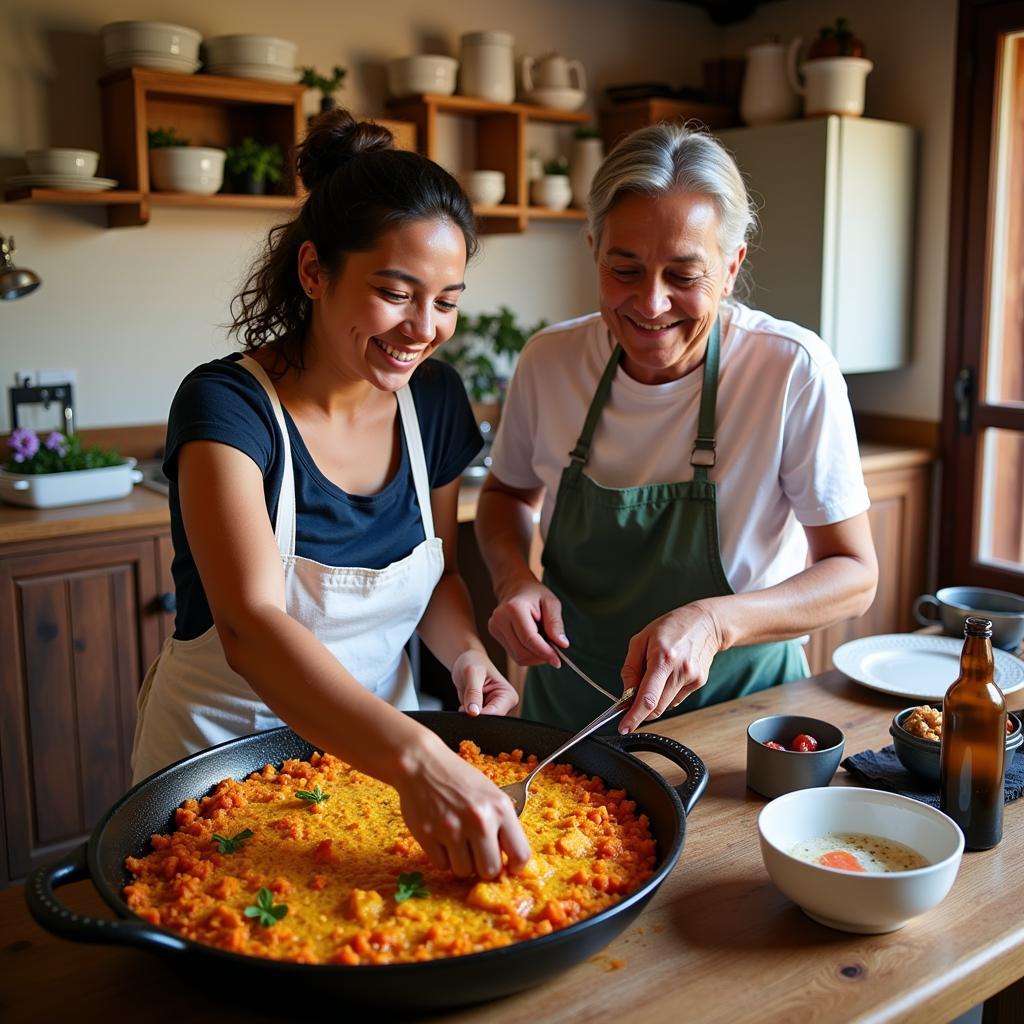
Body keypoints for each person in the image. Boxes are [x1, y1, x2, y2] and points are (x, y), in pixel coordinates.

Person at [131, 109, 530, 880]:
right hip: (220, 768)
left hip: (376, 772)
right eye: (396, 292)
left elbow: (438, 573)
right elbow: (249, 629)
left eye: (447, 300)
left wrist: (468, 651)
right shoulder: (228, 409)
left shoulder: (435, 400)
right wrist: (421, 758)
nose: (424, 327)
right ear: (314, 272)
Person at [475, 121, 879, 735]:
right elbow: (505, 496)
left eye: (685, 276)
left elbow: (853, 574)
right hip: (569, 709)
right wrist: (514, 580)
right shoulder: (549, 360)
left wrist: (718, 622)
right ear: (593, 250)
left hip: (738, 717)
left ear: (732, 265)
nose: (652, 303)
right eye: (625, 270)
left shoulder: (790, 369)